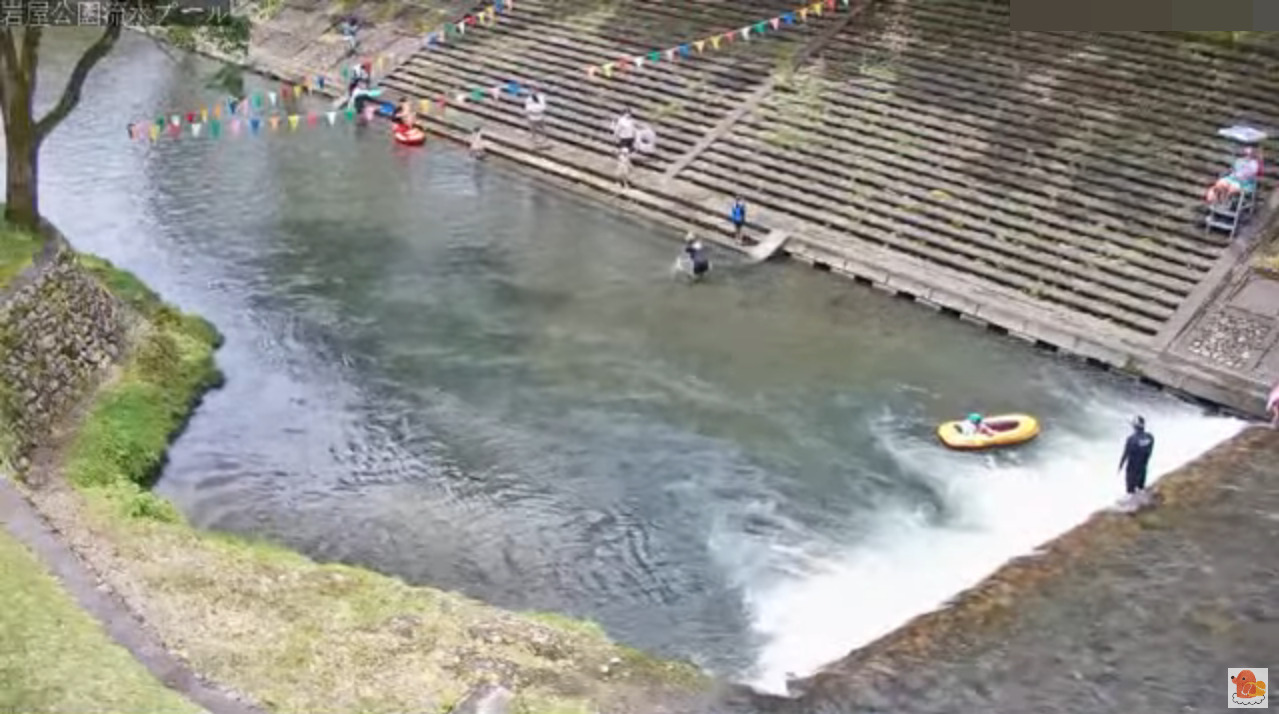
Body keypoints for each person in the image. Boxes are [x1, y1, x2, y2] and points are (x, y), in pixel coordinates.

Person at [1118, 416, 1155, 496]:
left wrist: (1120, 466)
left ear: (1135, 427)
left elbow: (1125, 454)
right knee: (1140, 488)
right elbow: (1149, 453)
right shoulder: (1150, 437)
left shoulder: (1131, 439)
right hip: (1143, 468)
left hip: (1132, 469)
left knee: (1130, 491)